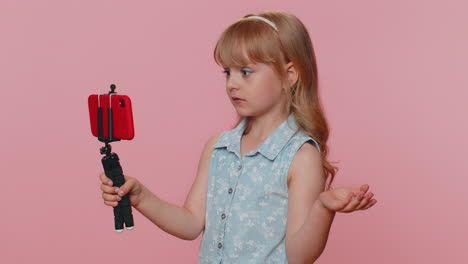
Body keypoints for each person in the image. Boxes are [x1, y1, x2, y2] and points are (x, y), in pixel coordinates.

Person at [99, 10, 377, 264]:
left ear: (289, 75)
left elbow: (299, 255)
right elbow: (191, 223)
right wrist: (141, 197)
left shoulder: (300, 157)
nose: (232, 83)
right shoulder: (218, 148)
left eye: (246, 72)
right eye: (227, 72)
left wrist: (322, 208)